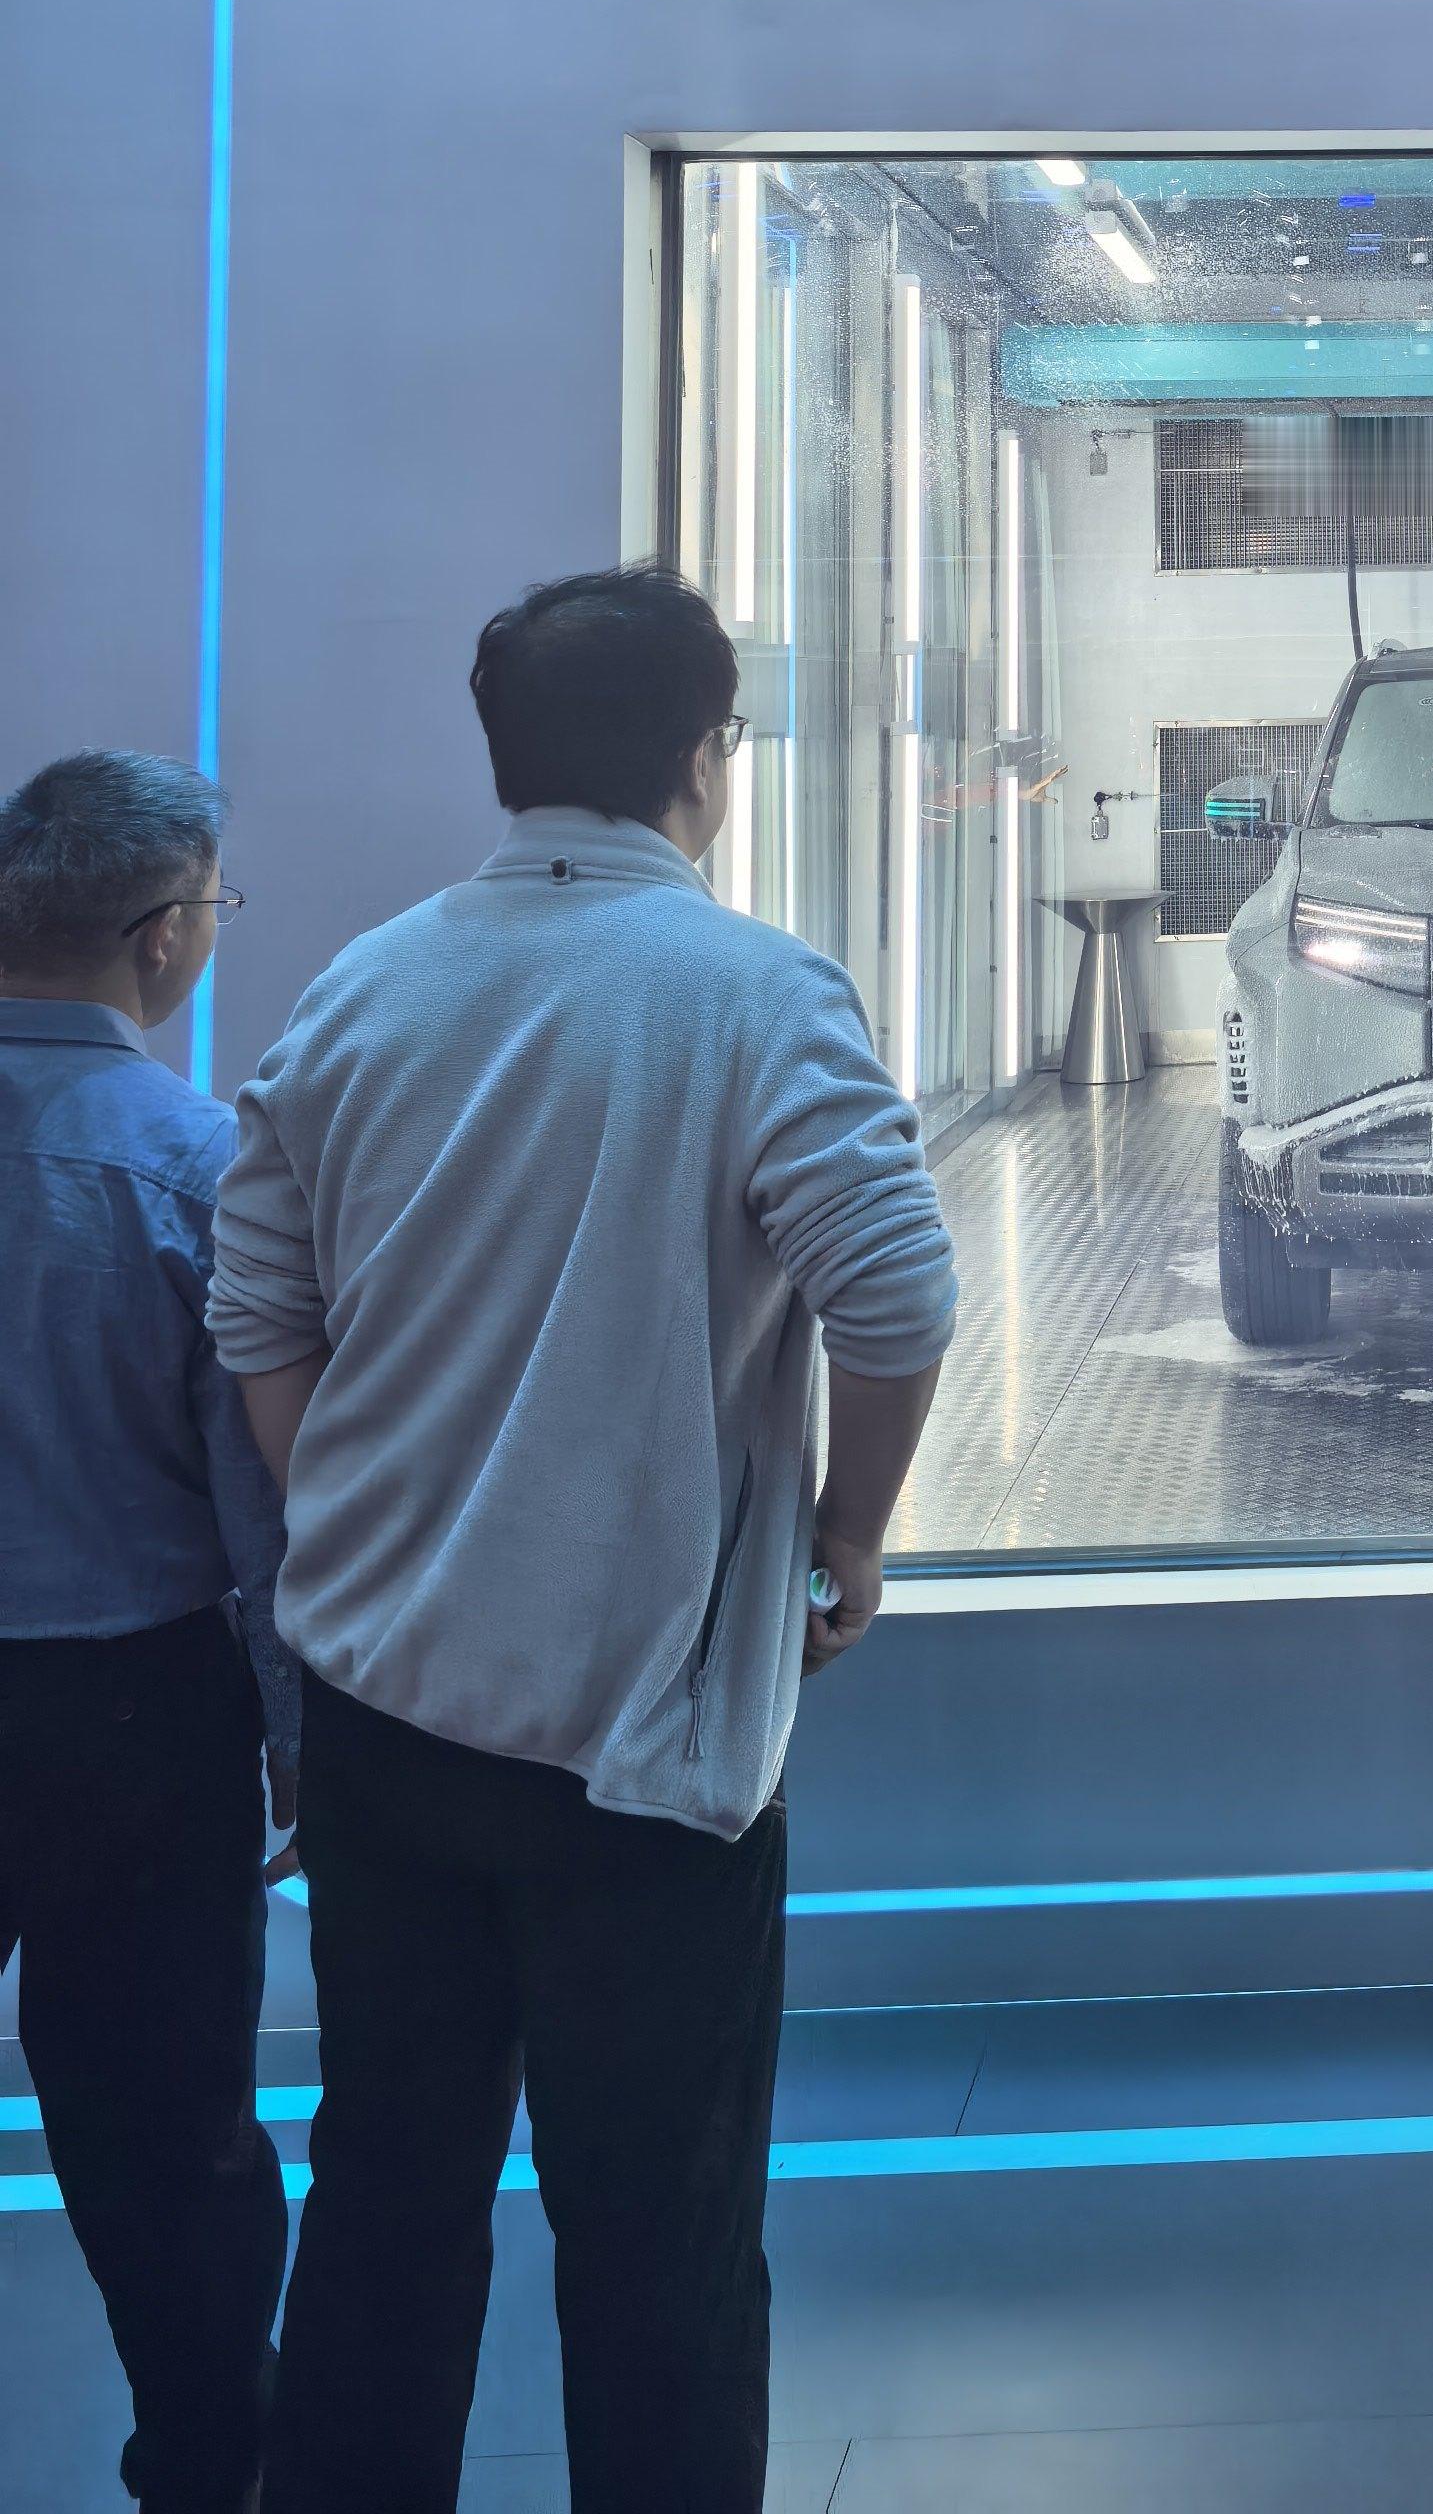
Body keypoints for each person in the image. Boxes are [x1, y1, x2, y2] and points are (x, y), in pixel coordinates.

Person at [210, 565, 958, 2514]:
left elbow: (257, 1315)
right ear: (708, 757)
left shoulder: (362, 986)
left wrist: (355, 1526)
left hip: (381, 1722)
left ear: (506, 755)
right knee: (658, 2238)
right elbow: (896, 1294)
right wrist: (849, 1536)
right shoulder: (750, 991)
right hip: (641, 1743)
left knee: (387, 2195)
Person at [0, 751, 294, 2514]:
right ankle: (205, 2474)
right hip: (139, 1718)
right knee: (166, 2144)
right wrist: (306, 1746)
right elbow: (263, 1509)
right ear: (166, 933)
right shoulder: (193, 1164)